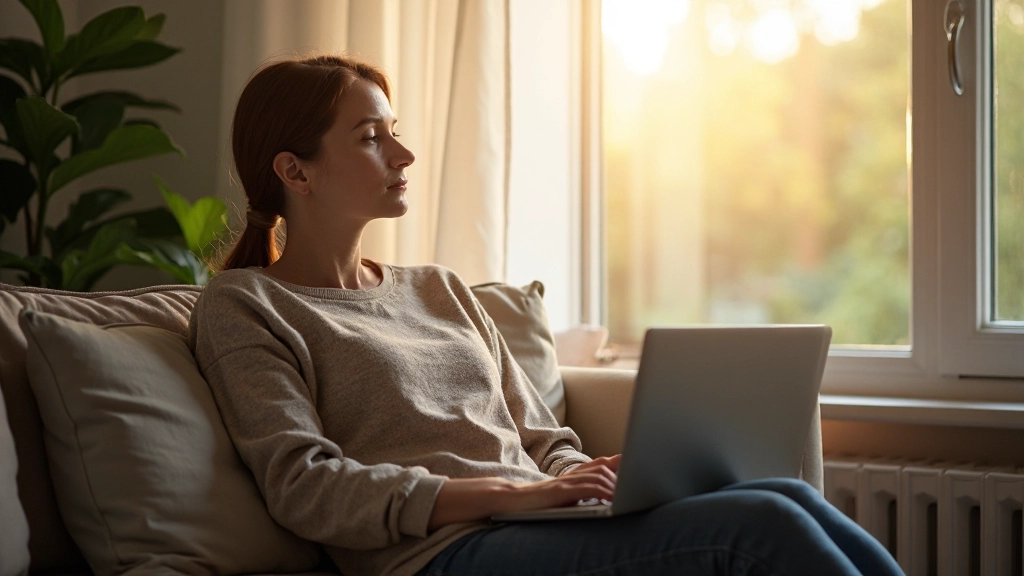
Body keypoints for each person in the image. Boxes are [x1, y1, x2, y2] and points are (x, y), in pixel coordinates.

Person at [188, 54, 905, 576]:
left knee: (777, 491)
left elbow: (540, 436)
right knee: (762, 526)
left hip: (539, 523)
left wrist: (587, 480)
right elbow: (305, 486)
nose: (403, 153)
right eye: (371, 138)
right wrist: (509, 494)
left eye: (394, 131)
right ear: (295, 170)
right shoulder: (246, 306)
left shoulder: (438, 288)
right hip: (437, 553)